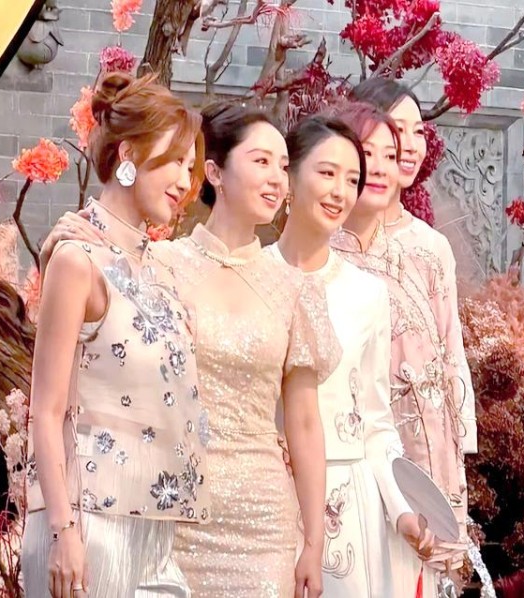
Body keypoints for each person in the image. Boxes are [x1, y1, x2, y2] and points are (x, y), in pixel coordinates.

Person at [41, 102, 339, 598]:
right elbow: (88, 308)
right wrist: (62, 238)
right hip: (166, 512)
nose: (277, 178)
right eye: (261, 161)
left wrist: (313, 539)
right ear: (215, 172)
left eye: (284, 166)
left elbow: (305, 423)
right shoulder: (156, 264)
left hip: (263, 520)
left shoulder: (294, 289)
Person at [22, 72, 210, 598]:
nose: (185, 181)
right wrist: (64, 532)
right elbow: (45, 409)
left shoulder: (159, 271)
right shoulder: (76, 259)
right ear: (128, 154)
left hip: (155, 527)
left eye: (191, 167)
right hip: (87, 526)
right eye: (175, 161)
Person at [266, 112, 436, 597]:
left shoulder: (367, 294)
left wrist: (401, 509)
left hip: (347, 506)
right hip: (264, 496)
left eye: (352, 179)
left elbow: (376, 423)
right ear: (289, 176)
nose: (340, 192)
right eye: (327, 173)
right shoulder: (249, 276)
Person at [330, 87, 474, 597]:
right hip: (364, 442)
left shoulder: (430, 247)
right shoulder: (326, 251)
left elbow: (451, 353)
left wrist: (459, 449)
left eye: (416, 133)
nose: (409, 146)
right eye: (395, 134)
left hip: (431, 439)